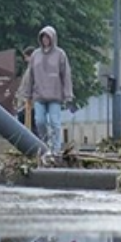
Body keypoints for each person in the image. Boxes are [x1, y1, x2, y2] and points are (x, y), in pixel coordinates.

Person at [18, 26, 73, 158]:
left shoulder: (60, 54)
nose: (45, 40)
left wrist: (67, 93)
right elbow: (30, 76)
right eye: (43, 37)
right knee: (39, 121)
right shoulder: (35, 55)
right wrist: (27, 94)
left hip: (55, 95)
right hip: (39, 94)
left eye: (48, 37)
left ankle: (56, 149)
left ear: (53, 38)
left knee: (55, 122)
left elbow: (66, 74)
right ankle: (44, 145)